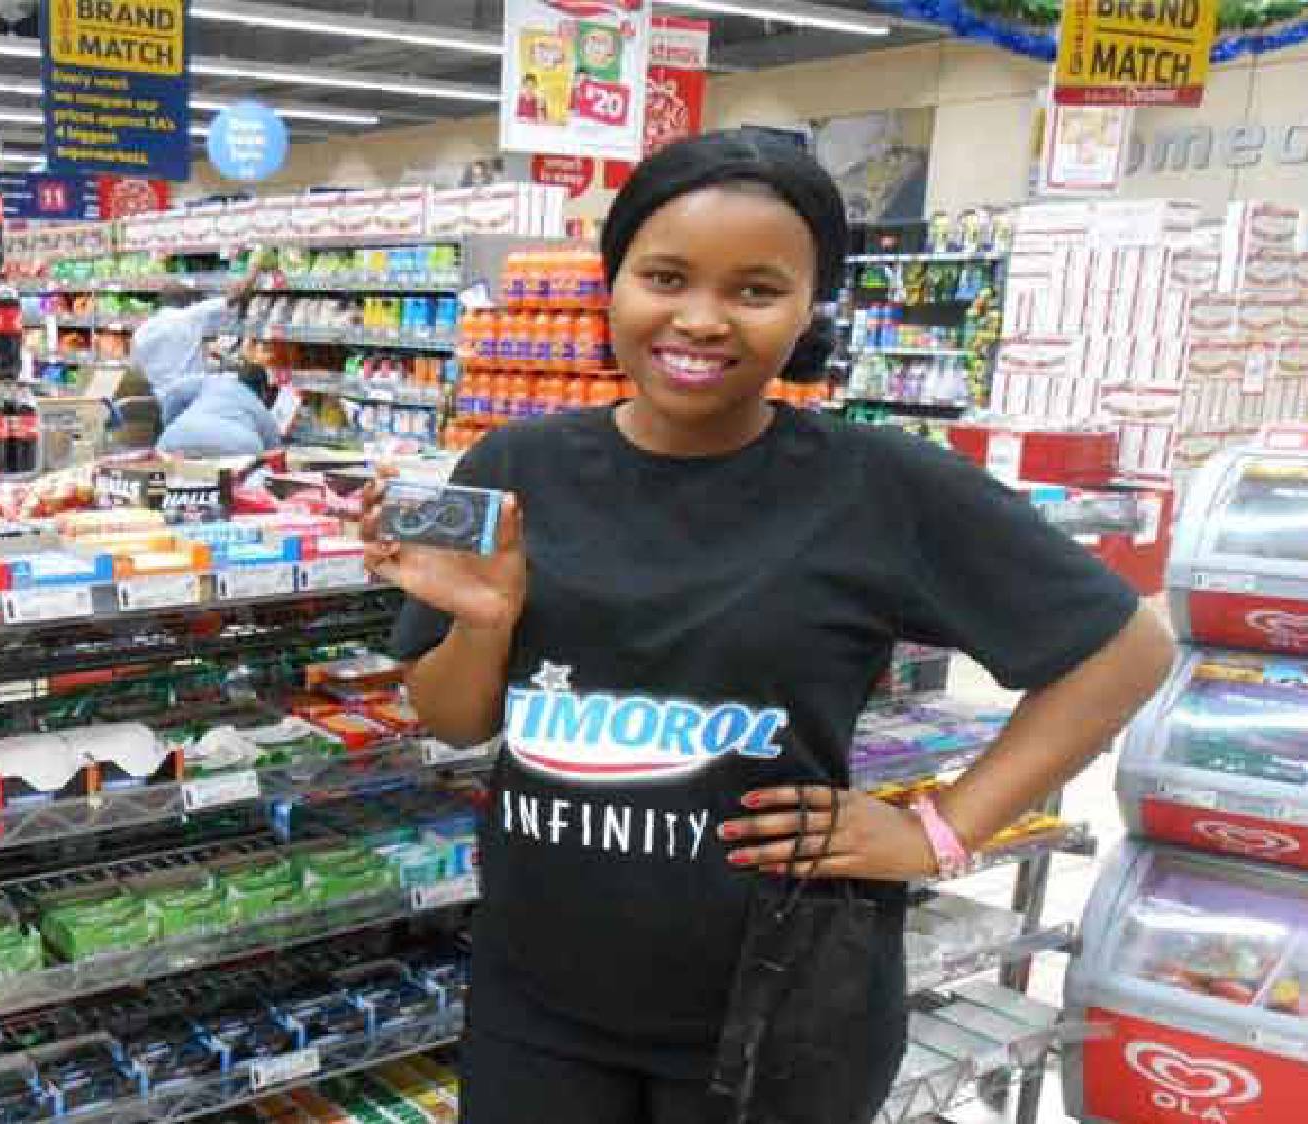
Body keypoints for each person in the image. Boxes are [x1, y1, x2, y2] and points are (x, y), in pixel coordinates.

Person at [360, 130, 1175, 1124]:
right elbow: (450, 720)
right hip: (536, 998)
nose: (701, 319)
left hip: (779, 1013)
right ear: (614, 282)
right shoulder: (516, 467)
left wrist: (940, 830)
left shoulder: (879, 484)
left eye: (755, 289)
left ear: (809, 306)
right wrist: (487, 624)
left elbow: (1127, 648)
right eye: (665, 277)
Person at [132, 255, 269, 426]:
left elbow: (137, 369)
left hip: (164, 403)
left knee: (174, 438)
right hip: (192, 399)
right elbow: (237, 294)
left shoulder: (141, 331)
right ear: (186, 302)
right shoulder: (191, 315)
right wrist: (255, 267)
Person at [155, 361, 284, 457]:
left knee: (161, 478)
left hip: (177, 438)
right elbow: (274, 452)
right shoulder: (260, 409)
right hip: (239, 447)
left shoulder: (212, 382)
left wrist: (171, 425)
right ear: (263, 391)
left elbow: (173, 394)